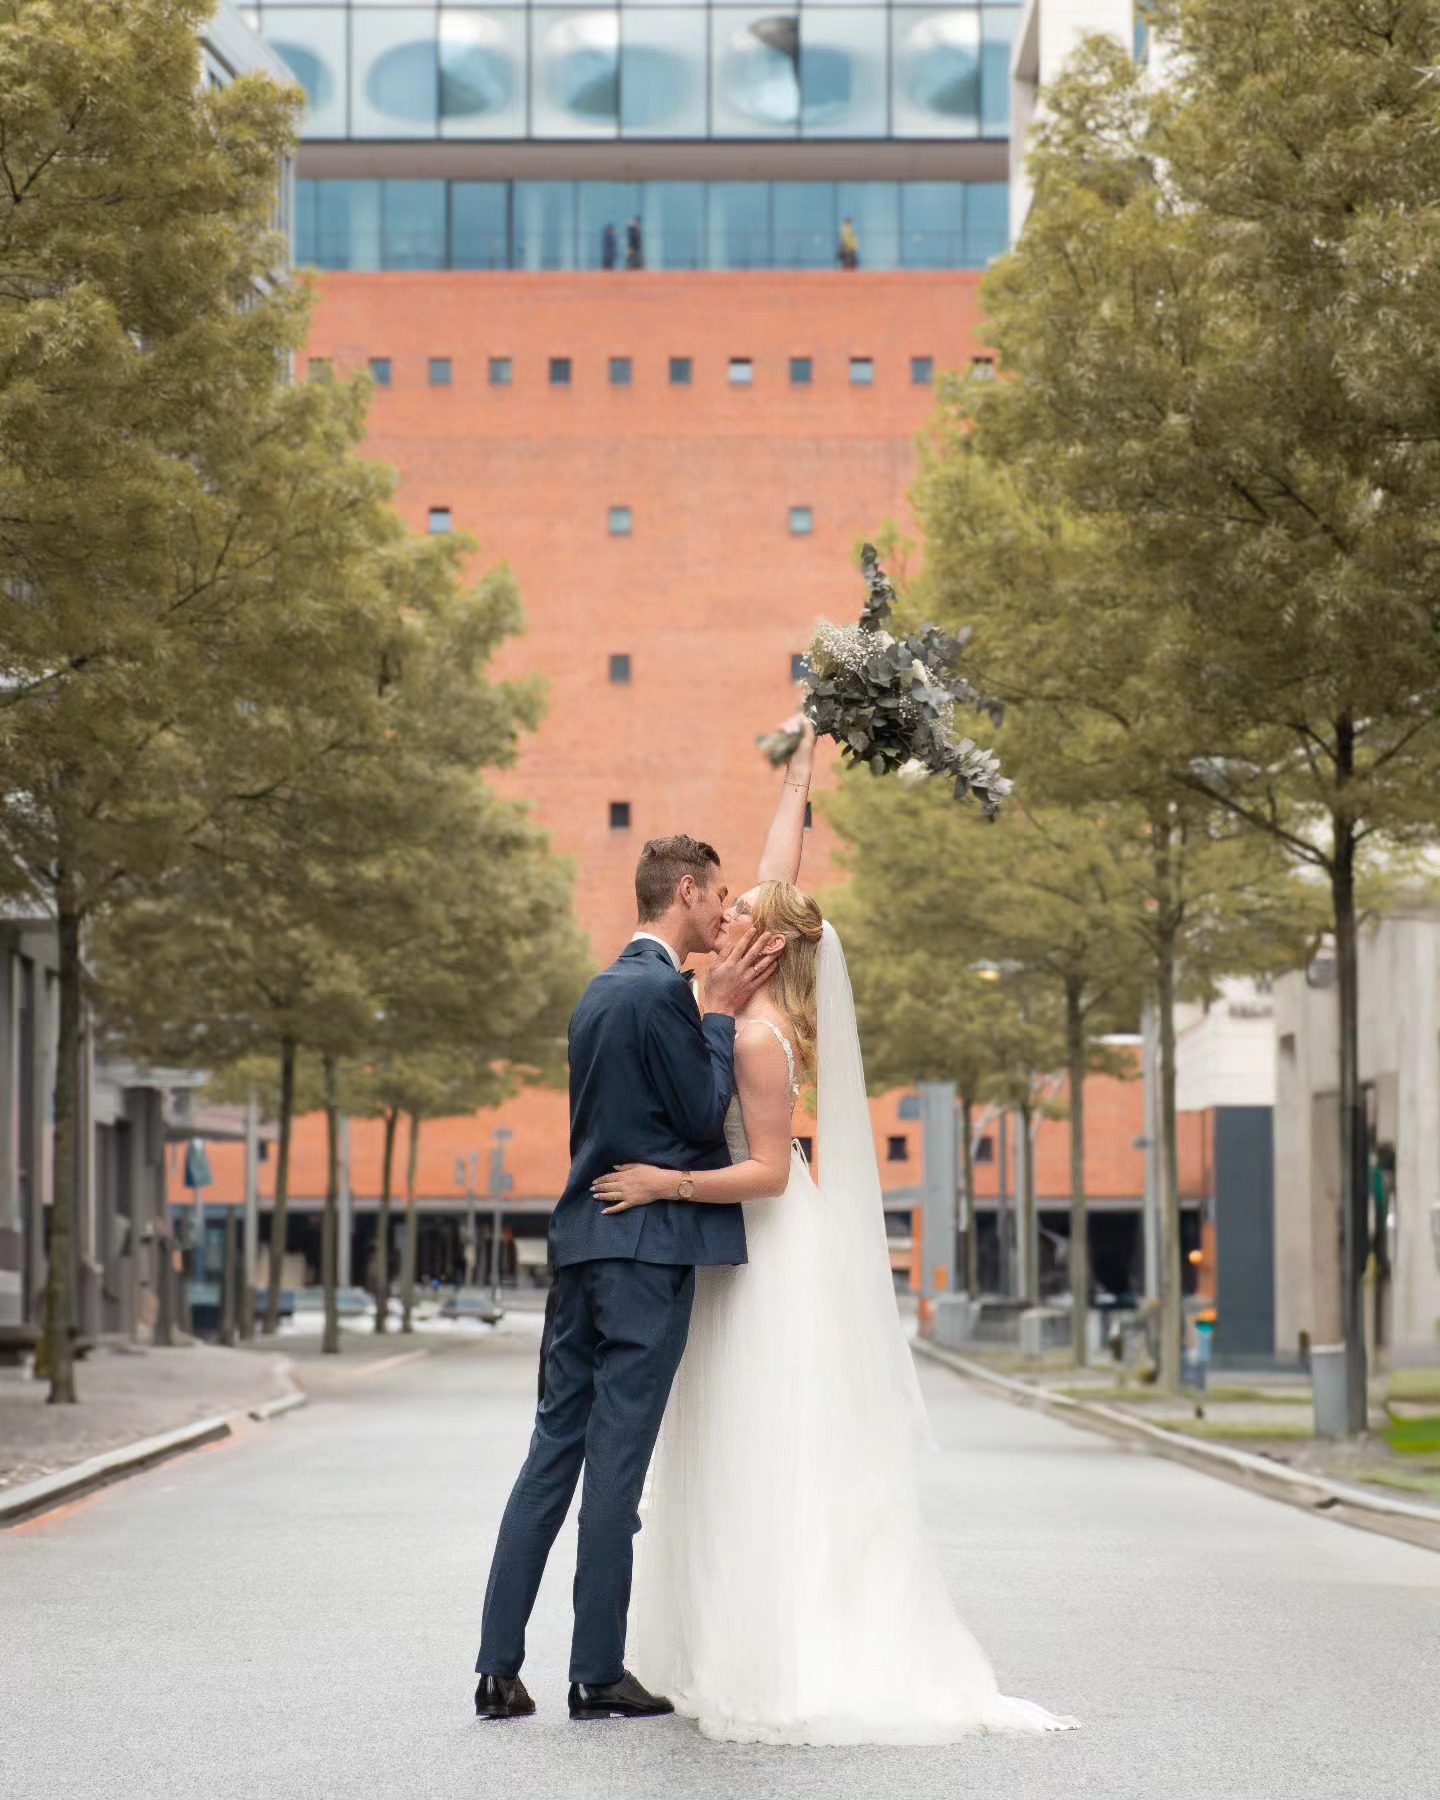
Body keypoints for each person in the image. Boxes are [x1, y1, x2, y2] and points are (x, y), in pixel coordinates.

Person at [594, 717, 1079, 1745]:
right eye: (723, 909)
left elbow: (769, 1174)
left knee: (771, 1449)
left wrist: (664, 1185)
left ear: (765, 948)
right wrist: (800, 773)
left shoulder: (760, 1039)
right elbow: (781, 870)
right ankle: (720, 1639)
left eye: (742, 917)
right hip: (738, 1255)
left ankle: (791, 1646)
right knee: (728, 1448)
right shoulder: (723, 992)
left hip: (766, 1253)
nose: (726, 917)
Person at [473, 835, 784, 1723]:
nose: (725, 913)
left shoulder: (597, 993)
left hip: (579, 1248)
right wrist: (717, 1016)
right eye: (717, 896)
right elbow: (693, 1113)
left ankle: (497, 1670)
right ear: (683, 892)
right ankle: (596, 1674)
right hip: (646, 1258)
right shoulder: (664, 995)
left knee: (549, 1453)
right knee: (617, 1467)